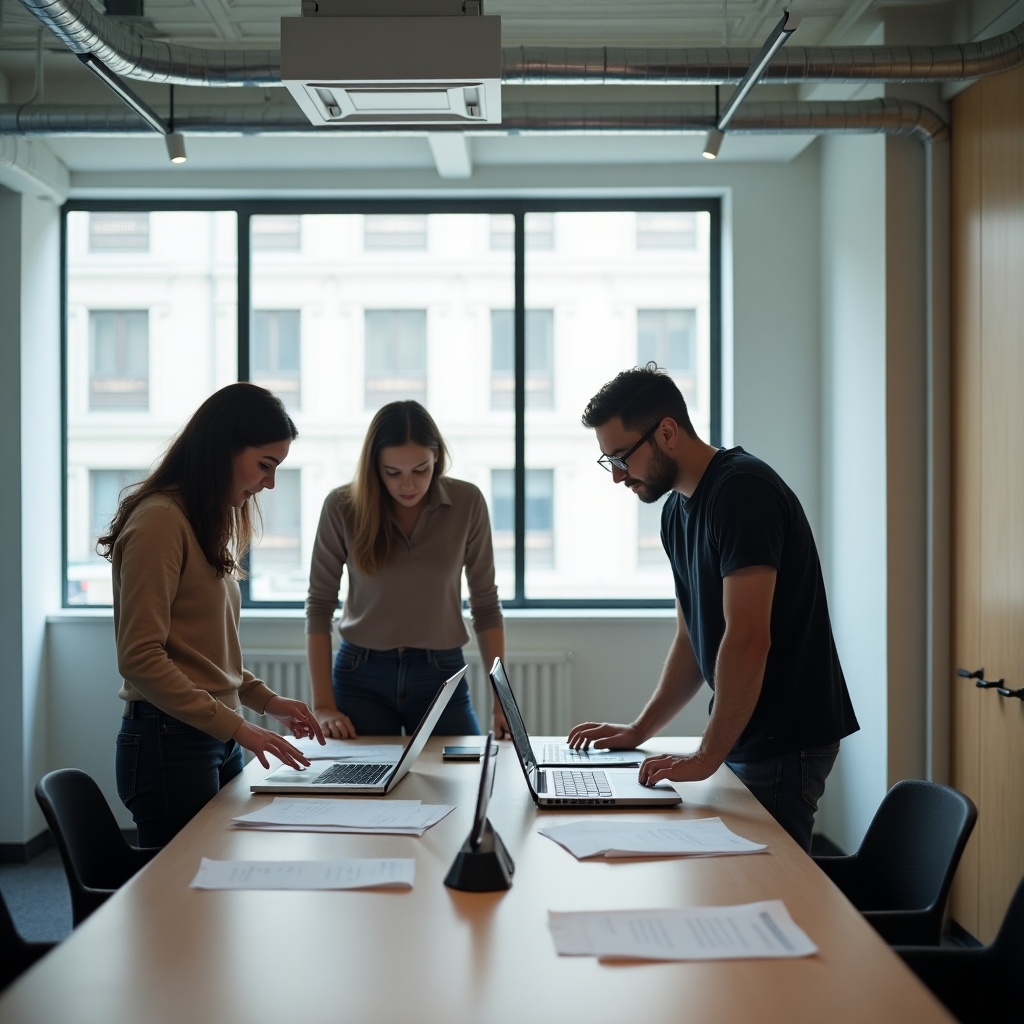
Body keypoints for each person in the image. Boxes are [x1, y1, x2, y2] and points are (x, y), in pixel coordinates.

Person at [567, 364, 859, 851]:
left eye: (620, 457)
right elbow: (693, 639)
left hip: (784, 738)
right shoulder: (675, 514)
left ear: (666, 432)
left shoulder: (743, 492)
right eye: (607, 462)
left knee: (770, 887)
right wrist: (640, 729)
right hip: (748, 731)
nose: (617, 476)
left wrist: (705, 755)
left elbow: (748, 638)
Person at [99, 383, 325, 848]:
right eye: (266, 465)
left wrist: (266, 701)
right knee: (183, 899)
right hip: (171, 738)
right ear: (223, 449)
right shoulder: (161, 520)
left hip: (208, 732)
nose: (270, 483)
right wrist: (240, 726)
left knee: (212, 891)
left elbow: (201, 651)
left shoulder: (205, 519)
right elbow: (140, 657)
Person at [306, 400, 507, 740]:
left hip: (441, 673)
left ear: (437, 459)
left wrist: (503, 704)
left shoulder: (467, 502)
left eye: (421, 470)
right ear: (375, 466)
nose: (408, 485)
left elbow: (486, 606)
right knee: (362, 786)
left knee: (466, 781)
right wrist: (323, 705)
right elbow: (319, 605)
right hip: (360, 675)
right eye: (393, 473)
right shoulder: (341, 506)